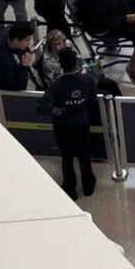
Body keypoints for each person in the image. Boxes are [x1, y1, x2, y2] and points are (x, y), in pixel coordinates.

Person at [38, 46, 99, 199]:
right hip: (82, 122)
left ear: (60, 64)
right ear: (76, 62)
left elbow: (42, 109)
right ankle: (88, 184)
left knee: (67, 156)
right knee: (84, 154)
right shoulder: (87, 80)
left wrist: (56, 109)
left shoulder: (56, 85)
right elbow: (92, 99)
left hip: (63, 126)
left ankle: (70, 187)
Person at [0, 20, 36, 91]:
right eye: (27, 40)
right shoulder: (4, 61)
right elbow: (18, 87)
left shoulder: (10, 31)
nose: (29, 43)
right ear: (16, 40)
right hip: (3, 89)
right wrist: (24, 66)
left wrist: (27, 49)